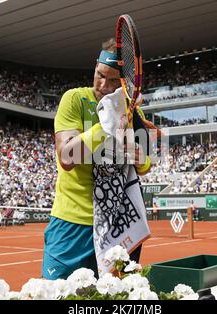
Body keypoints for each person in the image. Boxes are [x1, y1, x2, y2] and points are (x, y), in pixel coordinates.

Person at [41, 38, 152, 280]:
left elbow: (144, 165)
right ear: (95, 66)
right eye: (99, 74)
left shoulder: (135, 111)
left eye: (113, 80)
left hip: (119, 224)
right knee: (56, 294)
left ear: (125, 82)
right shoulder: (74, 99)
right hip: (72, 222)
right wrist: (109, 121)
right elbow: (67, 157)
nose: (103, 84)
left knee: (116, 297)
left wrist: (139, 156)